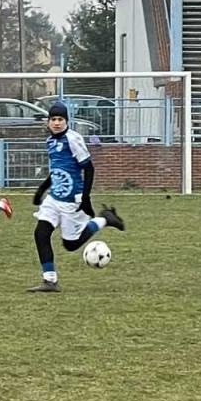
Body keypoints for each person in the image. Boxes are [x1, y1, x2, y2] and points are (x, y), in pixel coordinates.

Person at [27, 101, 125, 293]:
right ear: (48, 122)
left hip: (73, 200)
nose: (56, 123)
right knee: (41, 233)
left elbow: (88, 167)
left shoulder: (73, 139)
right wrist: (42, 189)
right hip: (54, 199)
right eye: (53, 119)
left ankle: (104, 219)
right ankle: (50, 280)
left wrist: (86, 197)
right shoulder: (50, 141)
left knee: (71, 245)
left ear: (66, 121)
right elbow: (57, 169)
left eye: (60, 119)